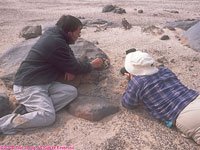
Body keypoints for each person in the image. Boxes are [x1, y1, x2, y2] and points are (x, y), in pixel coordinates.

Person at [0, 15, 103, 134]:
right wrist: (91, 65)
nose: (79, 35)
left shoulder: (55, 35)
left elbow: (68, 56)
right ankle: (4, 125)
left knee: (71, 92)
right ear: (69, 32)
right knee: (48, 116)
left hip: (43, 83)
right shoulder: (56, 42)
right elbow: (75, 67)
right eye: (78, 32)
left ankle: (31, 110)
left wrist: (67, 67)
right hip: (28, 86)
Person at [121, 50, 200, 144]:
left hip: (185, 115)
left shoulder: (137, 82)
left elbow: (127, 103)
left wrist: (132, 83)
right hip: (195, 98)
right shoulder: (165, 71)